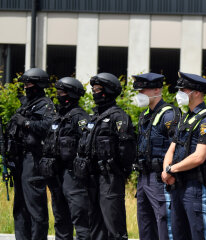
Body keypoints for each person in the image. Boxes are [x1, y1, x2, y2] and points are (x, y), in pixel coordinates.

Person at [161, 72, 206, 240]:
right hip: (177, 185)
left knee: (198, 234)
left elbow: (199, 157)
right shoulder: (186, 118)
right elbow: (171, 149)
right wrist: (167, 171)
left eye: (184, 89)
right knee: (178, 234)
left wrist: (170, 169)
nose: (179, 93)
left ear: (196, 92)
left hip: (195, 187)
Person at [77, 72, 136, 240]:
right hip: (92, 177)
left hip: (110, 177)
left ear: (107, 91)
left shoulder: (118, 117)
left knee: (113, 224)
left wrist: (119, 171)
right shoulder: (94, 117)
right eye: (93, 89)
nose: (94, 92)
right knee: (95, 224)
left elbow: (127, 151)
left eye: (97, 89)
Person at [5, 68, 57, 239]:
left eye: (29, 84)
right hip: (19, 159)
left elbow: (49, 126)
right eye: (25, 84)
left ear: (39, 85)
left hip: (33, 159)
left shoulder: (45, 104)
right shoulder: (25, 105)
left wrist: (26, 123)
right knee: (19, 207)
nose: (26, 87)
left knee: (35, 205)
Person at [132, 73, 181, 240]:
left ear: (157, 90)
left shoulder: (169, 115)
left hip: (160, 178)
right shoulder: (145, 115)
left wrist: (171, 172)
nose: (139, 95)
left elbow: (178, 147)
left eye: (142, 91)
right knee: (145, 222)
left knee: (163, 220)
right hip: (143, 177)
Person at [41, 77, 91, 239]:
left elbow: (87, 145)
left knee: (80, 218)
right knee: (60, 218)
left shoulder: (79, 117)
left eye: (61, 93)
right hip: (56, 174)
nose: (58, 96)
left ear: (71, 94)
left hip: (73, 175)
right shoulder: (57, 117)